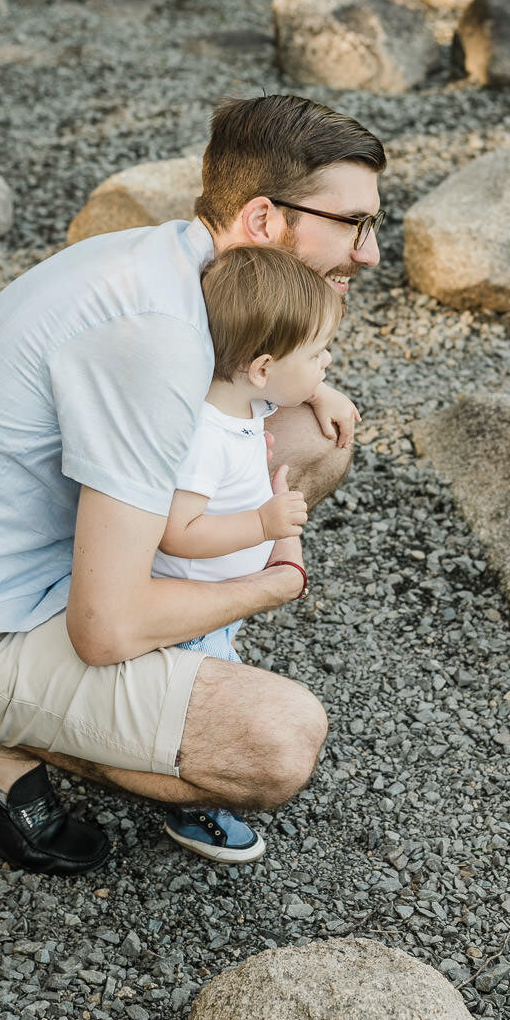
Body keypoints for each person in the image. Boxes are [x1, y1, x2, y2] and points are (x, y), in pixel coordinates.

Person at [0, 93, 386, 875]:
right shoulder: (156, 341)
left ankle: (146, 676)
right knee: (278, 741)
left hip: (49, 566)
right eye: (354, 225)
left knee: (313, 438)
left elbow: (247, 372)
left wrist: (309, 385)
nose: (370, 254)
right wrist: (273, 581)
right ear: (265, 221)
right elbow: (101, 631)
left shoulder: (176, 263)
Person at [153, 244, 344, 862]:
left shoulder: (245, 401)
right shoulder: (205, 438)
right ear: (261, 367)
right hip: (189, 609)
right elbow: (178, 531)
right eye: (318, 355)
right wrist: (262, 521)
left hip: (217, 601)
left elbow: (285, 395)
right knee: (196, 704)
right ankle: (192, 803)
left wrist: (322, 393)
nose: (328, 361)